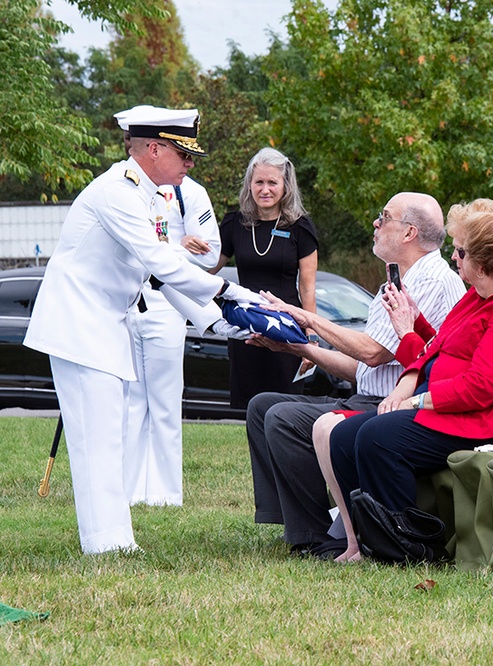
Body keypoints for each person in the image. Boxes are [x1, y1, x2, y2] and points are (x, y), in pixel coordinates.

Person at [23, 106, 263, 554]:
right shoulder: (118, 192)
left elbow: (157, 278)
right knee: (97, 438)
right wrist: (233, 294)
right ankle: (106, 544)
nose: (190, 165)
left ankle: (114, 540)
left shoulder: (150, 195)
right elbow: (164, 264)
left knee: (108, 434)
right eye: (184, 154)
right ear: (154, 149)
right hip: (80, 324)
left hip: (102, 323)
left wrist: (217, 320)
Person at [314, 205, 493, 563]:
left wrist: (416, 402)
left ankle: (408, 546)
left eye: (460, 251)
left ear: (484, 261)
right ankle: (370, 541)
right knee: (344, 436)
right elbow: (440, 350)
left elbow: (485, 386)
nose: (453, 256)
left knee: (378, 438)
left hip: (486, 419)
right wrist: (414, 325)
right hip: (457, 407)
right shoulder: (479, 296)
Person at [244, 192, 466, 556]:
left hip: (394, 406)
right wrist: (298, 348)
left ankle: (316, 537)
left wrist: (306, 316)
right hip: (368, 395)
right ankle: (299, 524)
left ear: (409, 233)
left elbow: (373, 352)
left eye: (384, 217)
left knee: (284, 417)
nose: (376, 224)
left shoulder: (431, 280)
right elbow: (363, 369)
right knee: (263, 405)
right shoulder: (395, 280)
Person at [114, 107, 222, 507]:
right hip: (127, 306)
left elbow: (210, 254)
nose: (188, 162)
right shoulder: (125, 189)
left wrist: (168, 253)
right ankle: (127, 491)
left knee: (163, 402)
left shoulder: (188, 191)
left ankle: (164, 494)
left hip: (165, 304)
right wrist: (175, 246)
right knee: (130, 402)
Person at [213, 148, 318, 409]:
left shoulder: (300, 227)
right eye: (259, 182)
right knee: (248, 406)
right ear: (250, 185)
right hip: (245, 326)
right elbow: (206, 272)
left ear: (286, 186)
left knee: (285, 406)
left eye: (273, 182)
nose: (265, 189)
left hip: (286, 327)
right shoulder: (233, 224)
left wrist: (312, 338)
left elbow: (308, 289)